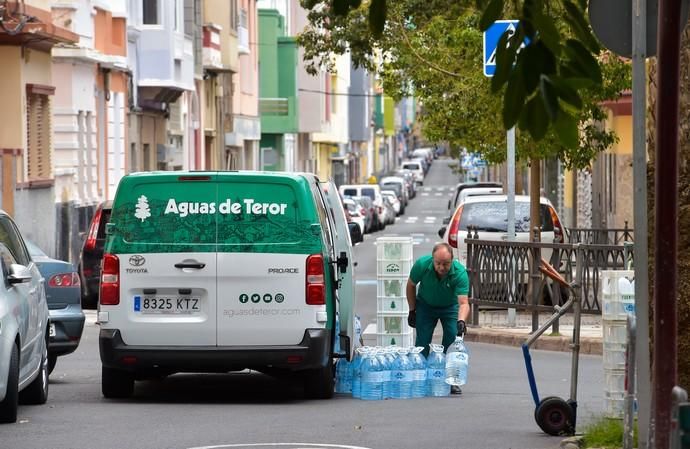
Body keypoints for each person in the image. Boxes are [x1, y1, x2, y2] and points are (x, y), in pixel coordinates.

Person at [406, 242, 470, 394]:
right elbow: (410, 285)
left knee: (452, 338)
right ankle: (421, 377)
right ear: (433, 260)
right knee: (422, 340)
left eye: (446, 264)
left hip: (449, 307)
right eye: (438, 263)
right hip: (425, 305)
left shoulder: (460, 272)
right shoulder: (422, 264)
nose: (442, 268)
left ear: (452, 260)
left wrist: (461, 321)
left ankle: (450, 380)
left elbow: (464, 302)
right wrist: (412, 309)